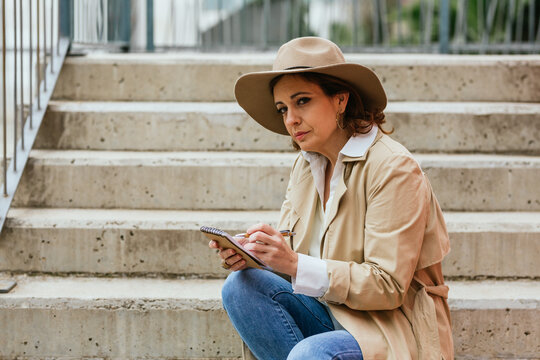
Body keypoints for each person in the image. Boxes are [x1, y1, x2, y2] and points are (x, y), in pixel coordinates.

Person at [208, 36, 453, 360]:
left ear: (341, 99)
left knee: (310, 354)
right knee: (240, 287)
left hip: (389, 328)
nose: (290, 119)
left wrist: (292, 263)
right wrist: (259, 256)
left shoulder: (394, 169)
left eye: (303, 101)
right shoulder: (306, 165)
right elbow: (293, 260)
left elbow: (388, 286)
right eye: (283, 108)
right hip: (327, 312)